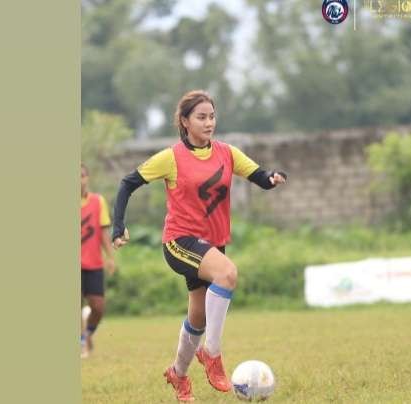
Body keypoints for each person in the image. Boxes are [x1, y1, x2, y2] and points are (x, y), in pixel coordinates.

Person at [112, 90, 286, 402]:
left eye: (212, 116)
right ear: (184, 121)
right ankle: (212, 354)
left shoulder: (227, 153)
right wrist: (118, 226)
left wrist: (272, 177)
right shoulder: (171, 157)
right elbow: (128, 183)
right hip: (180, 241)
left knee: (198, 317)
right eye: (201, 117)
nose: (209, 123)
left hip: (212, 244)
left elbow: (258, 176)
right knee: (228, 274)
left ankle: (178, 374)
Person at [81, 163, 116, 359]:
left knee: (98, 308)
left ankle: (87, 333)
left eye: (82, 176)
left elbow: (103, 231)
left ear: (87, 178)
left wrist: (110, 257)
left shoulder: (97, 201)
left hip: (93, 263)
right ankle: (83, 344)